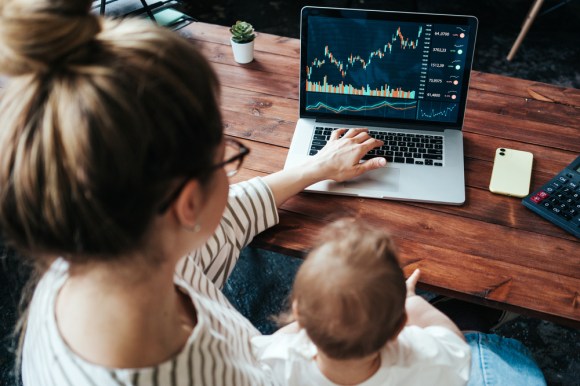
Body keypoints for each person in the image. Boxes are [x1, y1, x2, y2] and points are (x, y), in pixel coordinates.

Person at [0, 0, 387, 385]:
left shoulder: (97, 253)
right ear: (187, 203)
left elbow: (215, 231)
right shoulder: (206, 374)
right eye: (226, 159)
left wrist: (314, 168)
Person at [252, 219, 472, 386]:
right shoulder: (423, 356)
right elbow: (455, 342)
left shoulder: (276, 360)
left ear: (298, 313)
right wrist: (411, 300)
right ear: (399, 327)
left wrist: (307, 319)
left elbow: (272, 343)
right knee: (472, 323)